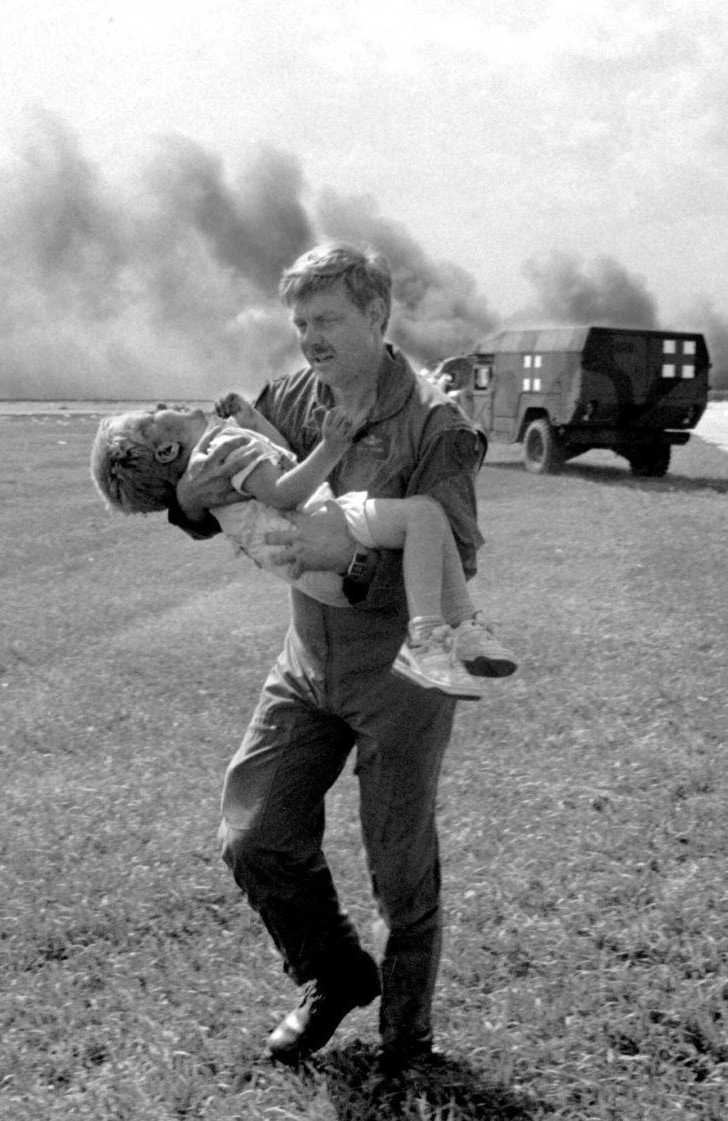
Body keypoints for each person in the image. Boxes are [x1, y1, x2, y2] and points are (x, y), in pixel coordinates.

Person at [163, 241, 495, 1069]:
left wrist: (348, 551)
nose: (310, 338)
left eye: (328, 320)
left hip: (399, 672)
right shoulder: (293, 395)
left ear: (378, 316)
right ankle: (333, 973)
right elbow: (236, 482)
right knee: (255, 834)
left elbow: (456, 551)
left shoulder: (436, 423)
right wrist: (188, 501)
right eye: (301, 321)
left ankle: (408, 1036)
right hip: (307, 660)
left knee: (398, 864)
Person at [90, 396, 516, 696]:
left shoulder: (221, 450)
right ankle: (431, 639)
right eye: (151, 418)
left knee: (427, 519)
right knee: (424, 516)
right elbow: (282, 492)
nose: (162, 407)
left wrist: (256, 421)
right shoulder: (222, 451)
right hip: (319, 527)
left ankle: (463, 628)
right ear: (166, 450)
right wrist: (332, 448)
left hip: (317, 554)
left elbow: (283, 461)